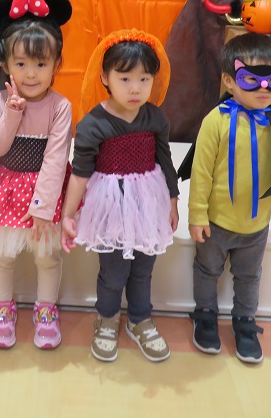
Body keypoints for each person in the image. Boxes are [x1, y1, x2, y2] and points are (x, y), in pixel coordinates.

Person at [61, 30, 179, 364]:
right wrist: (68, 214)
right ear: (105, 77)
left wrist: (172, 201)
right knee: (113, 272)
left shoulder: (155, 118)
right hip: (110, 205)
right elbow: (80, 173)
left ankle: (140, 319)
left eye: (144, 79)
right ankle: (107, 318)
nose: (135, 88)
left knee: (143, 268)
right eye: (125, 78)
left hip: (147, 203)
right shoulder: (93, 124)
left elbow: (165, 161)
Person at [188, 32, 271, 364]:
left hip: (256, 227)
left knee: (250, 276)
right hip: (215, 223)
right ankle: (205, 314)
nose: (264, 88)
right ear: (229, 81)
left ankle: (244, 322)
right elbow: (201, 173)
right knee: (207, 270)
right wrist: (197, 214)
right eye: (252, 80)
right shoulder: (215, 122)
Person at [0, 0, 73, 350]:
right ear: (4, 63)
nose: (31, 75)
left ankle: (46, 310)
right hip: (5, 189)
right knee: (1, 257)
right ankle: (2, 310)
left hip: (44, 193)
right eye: (21, 64)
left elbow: (56, 158)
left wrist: (43, 207)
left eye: (41, 64)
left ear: (56, 64)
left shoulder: (60, 106)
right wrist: (12, 113)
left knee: (47, 258)